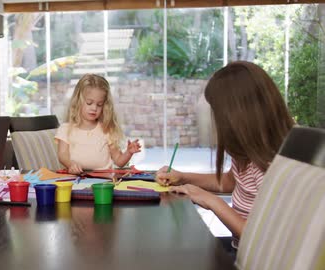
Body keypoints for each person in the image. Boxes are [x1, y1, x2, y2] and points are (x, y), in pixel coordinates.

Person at [156, 61, 294, 246]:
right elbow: (229, 182)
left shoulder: (271, 167)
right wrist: (183, 177)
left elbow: (259, 239)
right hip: (239, 250)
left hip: (252, 267)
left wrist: (211, 201)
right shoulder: (250, 153)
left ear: (237, 115)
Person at [55, 74, 141, 174]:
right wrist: (71, 164)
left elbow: (119, 160)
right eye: (89, 103)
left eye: (99, 104)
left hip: (103, 182)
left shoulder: (106, 129)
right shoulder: (66, 129)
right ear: (78, 101)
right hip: (75, 179)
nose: (94, 108)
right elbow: (62, 155)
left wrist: (128, 152)